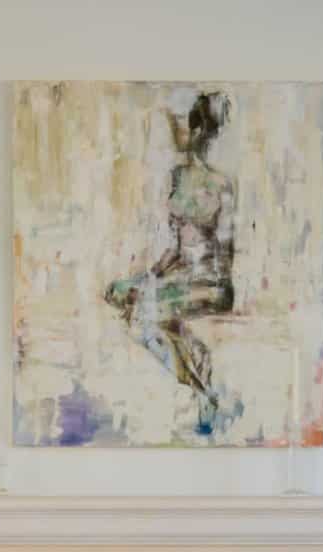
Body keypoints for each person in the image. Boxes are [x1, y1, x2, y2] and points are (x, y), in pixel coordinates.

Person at [105, 91, 235, 434]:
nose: (179, 137)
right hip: (179, 275)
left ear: (196, 133)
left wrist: (193, 279)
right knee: (119, 294)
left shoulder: (222, 185)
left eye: (185, 130)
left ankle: (202, 392)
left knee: (145, 315)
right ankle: (197, 359)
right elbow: (174, 249)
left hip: (210, 281)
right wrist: (146, 277)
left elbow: (225, 250)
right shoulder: (177, 177)